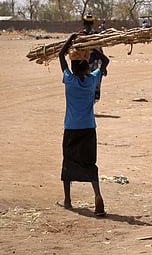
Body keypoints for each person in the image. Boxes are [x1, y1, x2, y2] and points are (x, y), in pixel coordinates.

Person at [57, 33, 110, 216]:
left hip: (71, 127)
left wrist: (71, 38)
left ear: (72, 67)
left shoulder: (69, 80)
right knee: (90, 162)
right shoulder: (92, 80)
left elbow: (60, 55)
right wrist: (92, 45)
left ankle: (67, 200)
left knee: (68, 162)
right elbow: (106, 61)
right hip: (89, 128)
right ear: (87, 66)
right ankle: (97, 195)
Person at [79, 13, 104, 102]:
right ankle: (87, 102)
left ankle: (91, 102)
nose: (88, 25)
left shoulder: (96, 35)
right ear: (85, 24)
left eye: (90, 23)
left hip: (96, 62)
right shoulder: (80, 35)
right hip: (84, 63)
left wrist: (103, 66)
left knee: (95, 82)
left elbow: (100, 49)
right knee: (85, 83)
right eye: (87, 23)